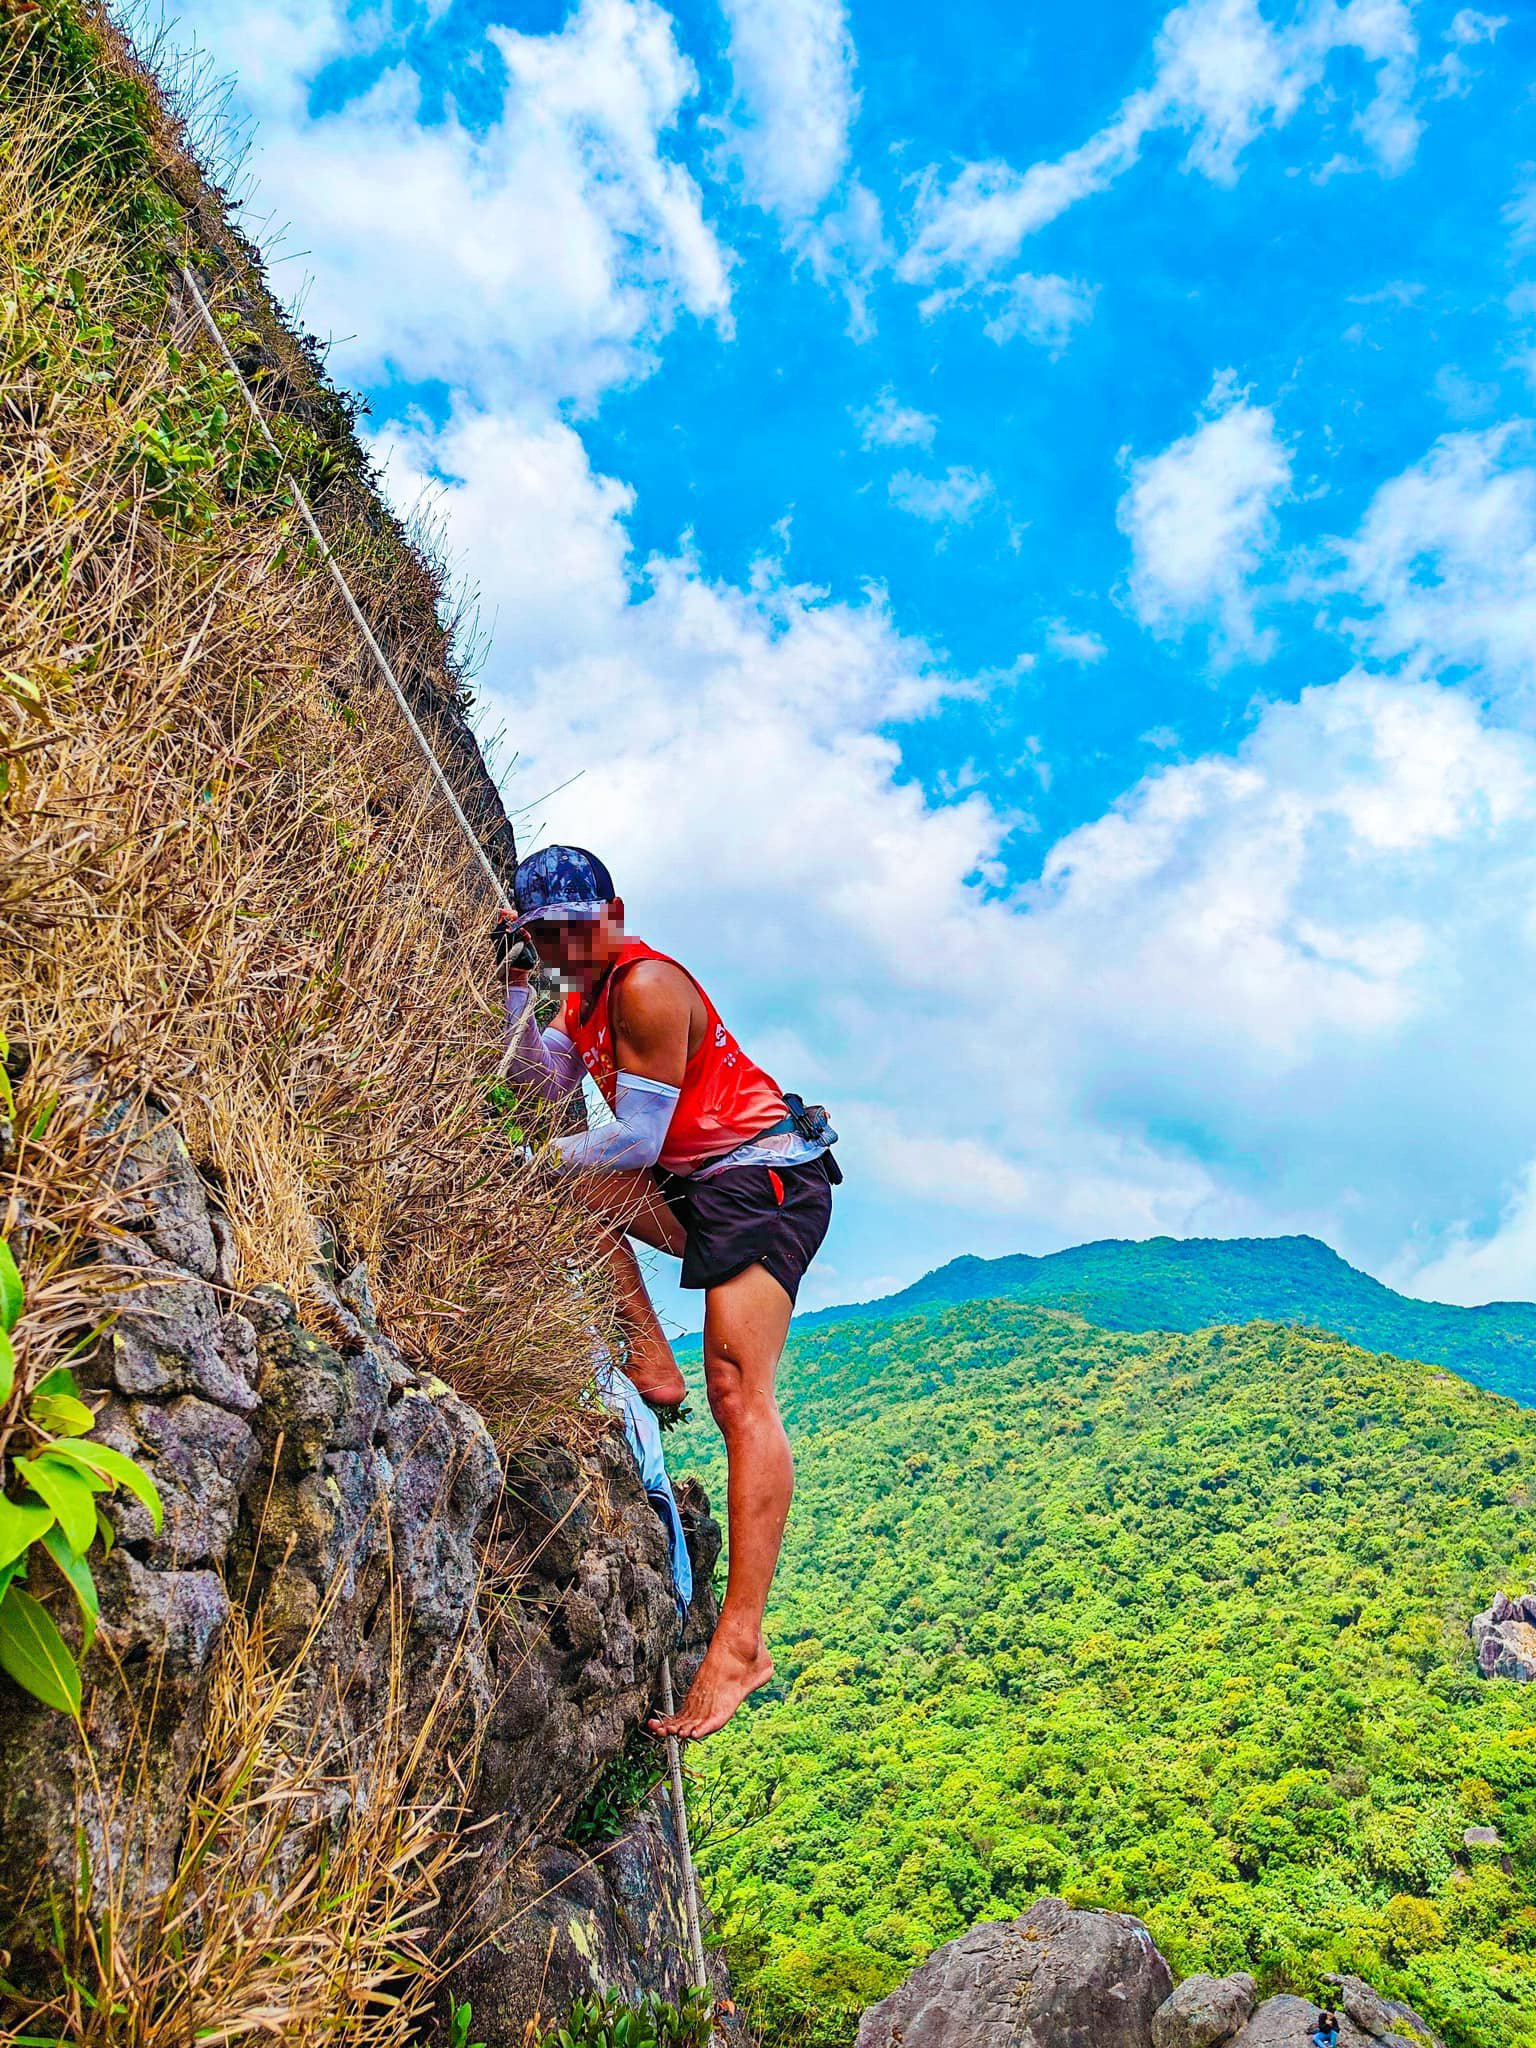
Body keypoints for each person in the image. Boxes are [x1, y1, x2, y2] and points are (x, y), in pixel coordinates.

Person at [495, 844, 839, 1740]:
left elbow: (639, 1139)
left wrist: (523, 1162)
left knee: (740, 1392)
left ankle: (741, 1642)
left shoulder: (645, 985)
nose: (565, 946)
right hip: (702, 1181)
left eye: (575, 928)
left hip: (762, 1179)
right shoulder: (583, 996)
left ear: (610, 912)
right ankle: (651, 1358)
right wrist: (510, 989)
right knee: (563, 1182)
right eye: (546, 936)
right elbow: (540, 1087)